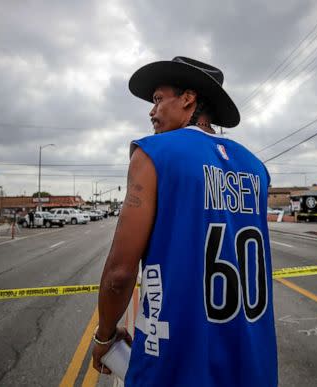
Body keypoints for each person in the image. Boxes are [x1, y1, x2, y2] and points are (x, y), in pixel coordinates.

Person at [93, 56, 278, 386]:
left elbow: (119, 274)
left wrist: (105, 337)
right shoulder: (257, 167)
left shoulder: (153, 153)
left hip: (176, 360)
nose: (152, 111)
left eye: (158, 99)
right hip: (253, 362)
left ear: (188, 99)